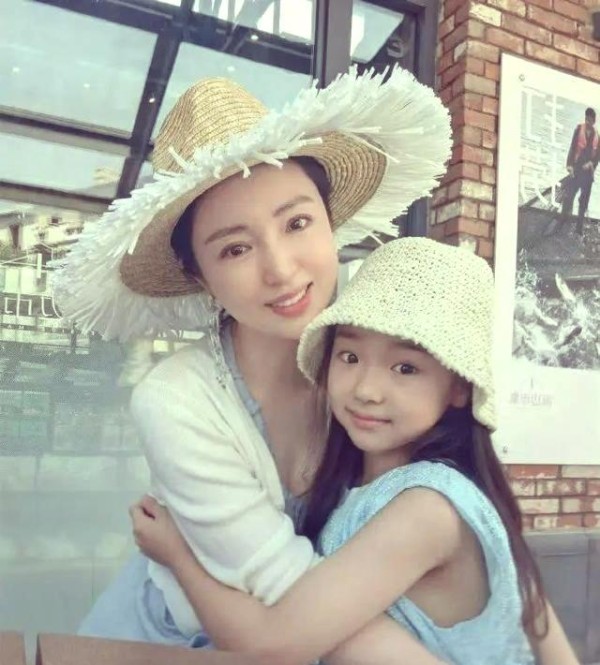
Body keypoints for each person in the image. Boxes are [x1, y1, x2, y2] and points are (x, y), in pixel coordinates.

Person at [52, 68, 452, 662]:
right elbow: (289, 595)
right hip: (171, 646)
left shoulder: (379, 369)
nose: (282, 270)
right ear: (198, 274)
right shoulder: (177, 400)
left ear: (330, 220)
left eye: (297, 223)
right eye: (236, 248)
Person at [132, 238, 580, 665]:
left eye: (405, 368)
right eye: (349, 357)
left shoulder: (425, 511)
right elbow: (533, 611)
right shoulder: (367, 485)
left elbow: (270, 648)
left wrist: (180, 558)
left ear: (459, 388)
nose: (367, 389)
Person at [561, 106, 600, 234]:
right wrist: (569, 165)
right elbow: (572, 147)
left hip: (588, 174)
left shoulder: (597, 136)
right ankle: (564, 222)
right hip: (577, 169)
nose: (588, 122)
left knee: (583, 201)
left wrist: (591, 164)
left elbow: (597, 158)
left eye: (590, 120)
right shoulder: (579, 129)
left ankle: (579, 228)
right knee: (569, 196)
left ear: (594, 121)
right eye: (586, 119)